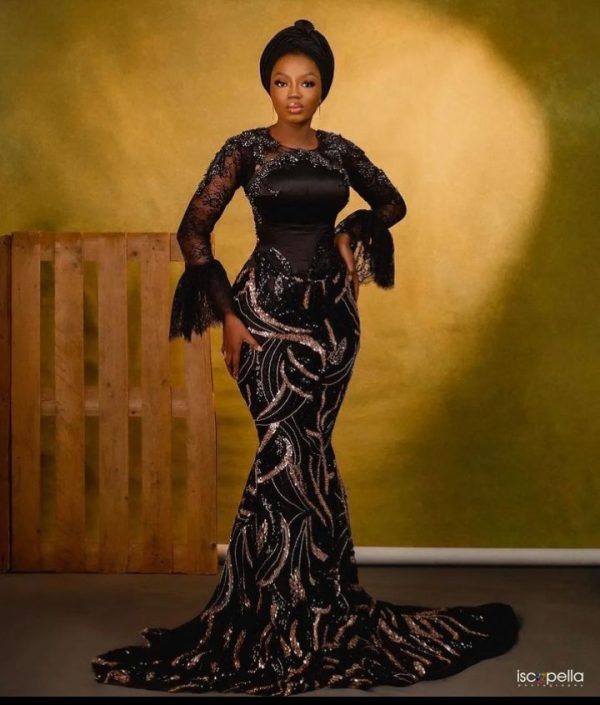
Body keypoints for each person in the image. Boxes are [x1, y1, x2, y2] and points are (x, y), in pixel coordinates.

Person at [91, 18, 521, 696]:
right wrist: (228, 317)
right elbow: (192, 230)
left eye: (308, 82)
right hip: (261, 318)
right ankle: (271, 612)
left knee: (310, 452)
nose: (294, 93)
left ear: (323, 89)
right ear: (268, 86)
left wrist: (351, 235)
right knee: (285, 451)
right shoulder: (243, 149)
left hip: (333, 325)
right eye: (282, 81)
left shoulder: (341, 151)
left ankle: (317, 608)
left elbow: (392, 202)